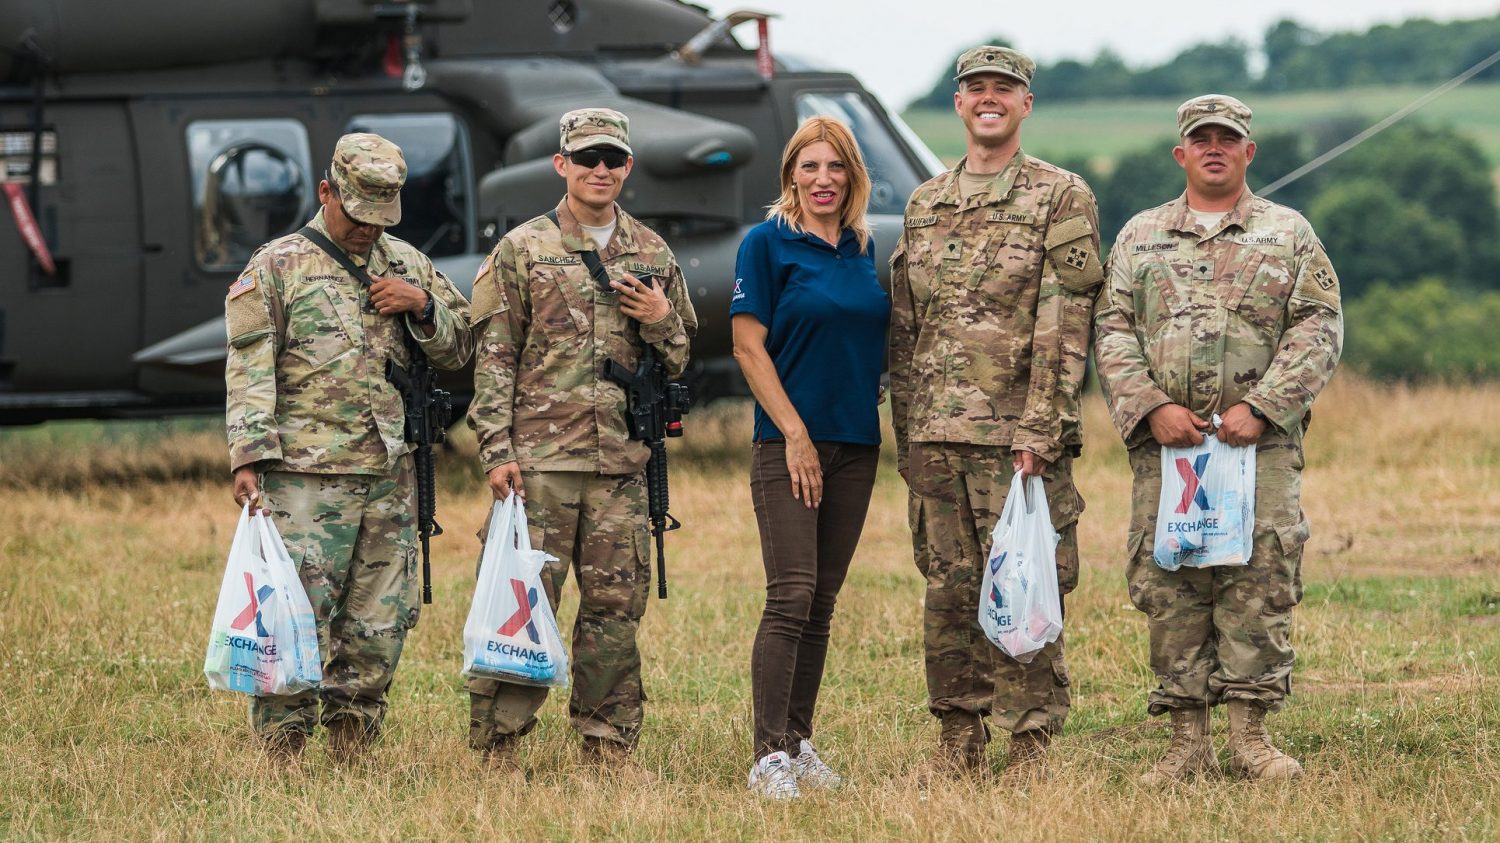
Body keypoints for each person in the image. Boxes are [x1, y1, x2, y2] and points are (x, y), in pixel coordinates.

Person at [1094, 94, 1342, 784]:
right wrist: (1149, 406)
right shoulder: (1140, 237)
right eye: (1200, 138)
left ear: (1247, 152)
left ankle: (1250, 737)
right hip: (1169, 449)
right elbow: (1112, 329)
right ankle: (1186, 741)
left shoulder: (1288, 234)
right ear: (1181, 153)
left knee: (1258, 578)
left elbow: (1319, 326)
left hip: (1257, 447)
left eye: (1226, 139)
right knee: (1172, 580)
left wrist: (1263, 406)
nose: (1213, 147)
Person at [888, 46, 1103, 779]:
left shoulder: (1059, 196)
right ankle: (959, 739)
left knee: (1025, 585)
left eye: (1003, 90)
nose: (989, 99)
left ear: (1025, 105)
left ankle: (1031, 740)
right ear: (958, 104)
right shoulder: (925, 202)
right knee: (948, 593)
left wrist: (1040, 427)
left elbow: (1066, 321)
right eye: (976, 89)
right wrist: (907, 435)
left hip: (1017, 437)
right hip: (936, 437)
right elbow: (905, 327)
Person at [224, 132, 474, 761]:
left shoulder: (408, 265)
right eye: (357, 214)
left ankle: (353, 744)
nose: (368, 229)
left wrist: (421, 309)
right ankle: (281, 748)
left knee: (379, 619)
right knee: (295, 613)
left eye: (381, 217)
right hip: (305, 477)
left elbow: (462, 348)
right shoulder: (277, 266)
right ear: (326, 192)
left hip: (392, 474)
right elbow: (250, 364)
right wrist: (249, 453)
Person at [466, 108, 697, 780]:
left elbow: (682, 357)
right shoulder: (523, 249)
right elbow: (495, 358)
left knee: (614, 612)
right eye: (587, 158)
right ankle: (499, 748)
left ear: (628, 166)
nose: (601, 170)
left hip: (621, 465)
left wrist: (660, 322)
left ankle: (608, 746)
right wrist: (495, 448)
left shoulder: (653, 254)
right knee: (521, 604)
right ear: (561, 164)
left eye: (613, 159)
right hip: (539, 465)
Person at [730, 117, 890, 799]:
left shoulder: (861, 245)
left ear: (852, 176)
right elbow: (747, 346)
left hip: (857, 443)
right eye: (809, 166)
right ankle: (767, 756)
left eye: (836, 167)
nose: (822, 179)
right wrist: (793, 432)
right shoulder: (765, 244)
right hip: (788, 444)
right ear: (790, 173)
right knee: (790, 593)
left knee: (822, 601)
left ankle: (799, 744)